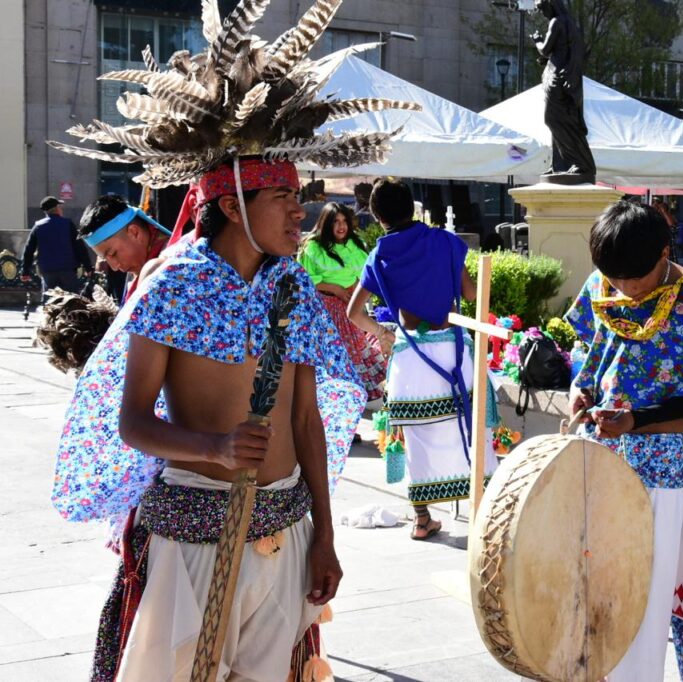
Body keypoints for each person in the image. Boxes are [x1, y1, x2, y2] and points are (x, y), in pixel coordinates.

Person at [46, 1, 415, 677]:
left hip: (286, 528)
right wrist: (212, 447)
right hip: (192, 537)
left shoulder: (292, 284)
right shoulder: (172, 285)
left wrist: (325, 535)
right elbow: (134, 422)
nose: (301, 210)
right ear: (232, 204)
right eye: (284, 198)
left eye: (299, 196)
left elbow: (305, 420)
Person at [565, 201, 683, 680]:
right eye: (613, 276)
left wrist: (637, 420)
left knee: (644, 584)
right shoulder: (603, 281)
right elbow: (589, 350)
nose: (622, 287)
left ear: (664, 252)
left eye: (634, 278)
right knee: (592, 576)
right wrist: (581, 387)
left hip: (661, 456)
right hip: (600, 448)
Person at [347, 178, 499, 541]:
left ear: (378, 216)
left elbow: (354, 312)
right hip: (452, 351)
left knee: (418, 439)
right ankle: (486, 511)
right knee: (472, 428)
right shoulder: (444, 241)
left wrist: (382, 332)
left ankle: (422, 519)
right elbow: (471, 294)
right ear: (412, 206)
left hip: (411, 357)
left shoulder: (379, 255)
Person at [299, 202, 387, 407]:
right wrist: (334, 288)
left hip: (351, 306)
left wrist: (356, 288)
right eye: (335, 222)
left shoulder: (355, 245)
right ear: (326, 223)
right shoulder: (313, 247)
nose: (341, 226)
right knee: (333, 353)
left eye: (344, 221)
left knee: (355, 350)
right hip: (325, 308)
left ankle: (352, 399)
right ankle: (333, 399)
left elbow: (364, 274)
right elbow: (305, 279)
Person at [531, 0, 596, 181]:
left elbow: (545, 49)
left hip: (557, 80)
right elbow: (562, 52)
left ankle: (580, 163)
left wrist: (537, 40)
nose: (542, 13)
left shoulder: (557, 22)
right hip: (562, 77)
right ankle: (560, 164)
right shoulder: (570, 24)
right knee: (561, 121)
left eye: (542, 8)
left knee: (553, 119)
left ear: (551, 5)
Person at [77, 194, 171, 301]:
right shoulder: (136, 267)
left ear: (134, 232)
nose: (115, 267)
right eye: (105, 258)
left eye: (113, 254)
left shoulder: (173, 262)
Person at [20, 195, 92, 291]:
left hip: (48, 270)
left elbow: (29, 250)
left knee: (50, 298)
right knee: (71, 298)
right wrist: (88, 267)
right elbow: (79, 247)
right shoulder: (68, 224)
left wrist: (25, 271)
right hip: (68, 269)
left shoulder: (38, 226)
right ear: (57, 209)